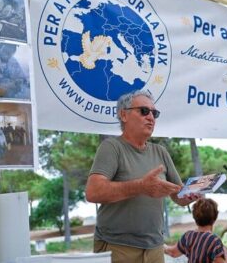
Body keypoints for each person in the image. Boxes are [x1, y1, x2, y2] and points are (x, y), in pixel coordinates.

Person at [85, 90, 200, 263]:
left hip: (155, 247)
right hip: (117, 247)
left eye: (155, 113)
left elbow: (178, 195)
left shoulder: (160, 152)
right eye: (144, 111)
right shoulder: (112, 147)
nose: (151, 117)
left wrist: (191, 194)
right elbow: (93, 192)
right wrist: (141, 186)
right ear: (123, 115)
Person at [164, 198, 227, 263]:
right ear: (215, 217)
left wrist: (159, 244)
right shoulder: (214, 240)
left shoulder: (188, 236)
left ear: (194, 216)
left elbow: (172, 252)